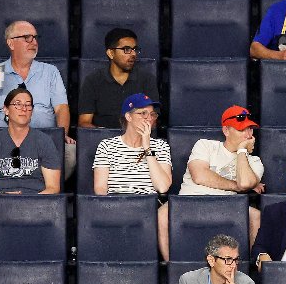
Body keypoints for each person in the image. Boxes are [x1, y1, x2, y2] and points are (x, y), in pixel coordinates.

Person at [0, 20, 76, 177]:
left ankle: (46, 192)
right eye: (27, 38)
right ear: (11, 43)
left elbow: (62, 109)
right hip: (3, 143)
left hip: (44, 142)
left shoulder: (50, 72)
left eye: (35, 38)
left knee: (70, 151)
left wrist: (61, 134)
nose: (34, 42)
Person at [92, 93, 172, 259]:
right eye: (143, 113)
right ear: (128, 116)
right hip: (115, 204)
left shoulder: (161, 146)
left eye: (152, 114)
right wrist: (119, 207)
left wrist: (147, 148)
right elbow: (100, 188)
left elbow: (163, 187)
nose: (149, 118)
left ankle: (170, 269)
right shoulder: (107, 145)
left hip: (148, 205)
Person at [180, 105, 264, 242]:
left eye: (250, 129)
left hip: (226, 207)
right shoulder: (205, 145)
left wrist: (242, 150)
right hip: (191, 203)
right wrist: (236, 186)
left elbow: (245, 183)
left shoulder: (254, 161)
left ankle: (253, 263)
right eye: (241, 129)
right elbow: (199, 176)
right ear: (226, 130)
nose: (248, 135)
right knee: (163, 214)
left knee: (256, 216)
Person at [0, 86, 62, 195]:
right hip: (2, 204)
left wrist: (27, 202)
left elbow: (53, 188)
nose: (24, 109)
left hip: (37, 204)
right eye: (18, 104)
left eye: (28, 105)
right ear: (6, 109)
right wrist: (3, 197)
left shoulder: (44, 141)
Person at [78, 27, 158, 129]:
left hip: (138, 139)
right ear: (111, 53)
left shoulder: (147, 79)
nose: (133, 54)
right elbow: (84, 122)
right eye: (127, 49)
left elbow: (152, 122)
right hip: (104, 141)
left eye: (135, 49)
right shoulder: (93, 80)